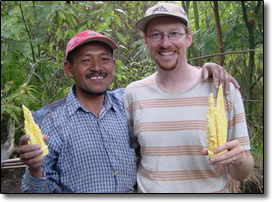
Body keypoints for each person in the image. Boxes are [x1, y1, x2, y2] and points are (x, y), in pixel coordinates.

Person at [19, 30, 239, 193]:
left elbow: (167, 82)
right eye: (86, 60)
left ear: (113, 65)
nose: (97, 67)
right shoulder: (47, 119)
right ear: (69, 69)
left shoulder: (129, 99)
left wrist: (206, 69)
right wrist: (35, 169)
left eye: (104, 59)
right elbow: (33, 192)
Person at [124, 3, 254, 193]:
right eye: (156, 35)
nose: (165, 43)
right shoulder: (133, 94)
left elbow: (241, 173)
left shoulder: (222, 89)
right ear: (146, 41)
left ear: (189, 38)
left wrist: (239, 158)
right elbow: (132, 154)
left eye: (174, 34)